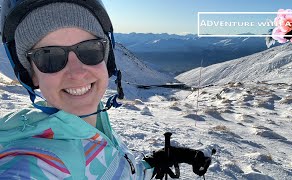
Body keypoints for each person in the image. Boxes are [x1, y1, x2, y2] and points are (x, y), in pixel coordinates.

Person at [0, 0, 212, 179]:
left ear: (107, 59)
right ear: (31, 74)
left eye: (90, 50)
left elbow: (115, 170)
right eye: (49, 57)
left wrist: (156, 162)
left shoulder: (95, 124)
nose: (77, 72)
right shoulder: (35, 163)